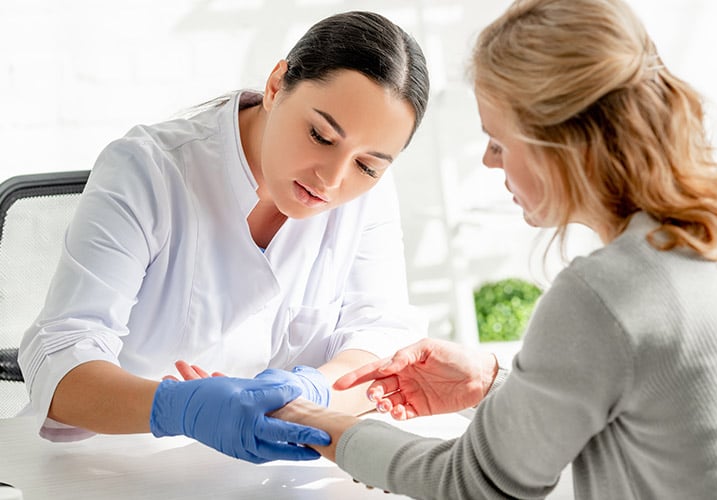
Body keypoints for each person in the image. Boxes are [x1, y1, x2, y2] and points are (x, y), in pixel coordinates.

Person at [272, 0, 717, 497]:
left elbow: (474, 483)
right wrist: (494, 381)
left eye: (499, 141)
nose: (487, 162)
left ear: (560, 145)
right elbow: (668, 406)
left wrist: (312, 422)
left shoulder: (604, 294)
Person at [17, 10, 430, 463]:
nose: (333, 179)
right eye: (320, 135)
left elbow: (382, 338)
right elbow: (58, 361)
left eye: (367, 165)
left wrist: (312, 390)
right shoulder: (146, 171)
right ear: (276, 85)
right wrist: (176, 409)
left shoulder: (368, 197)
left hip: (280, 478)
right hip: (118, 468)